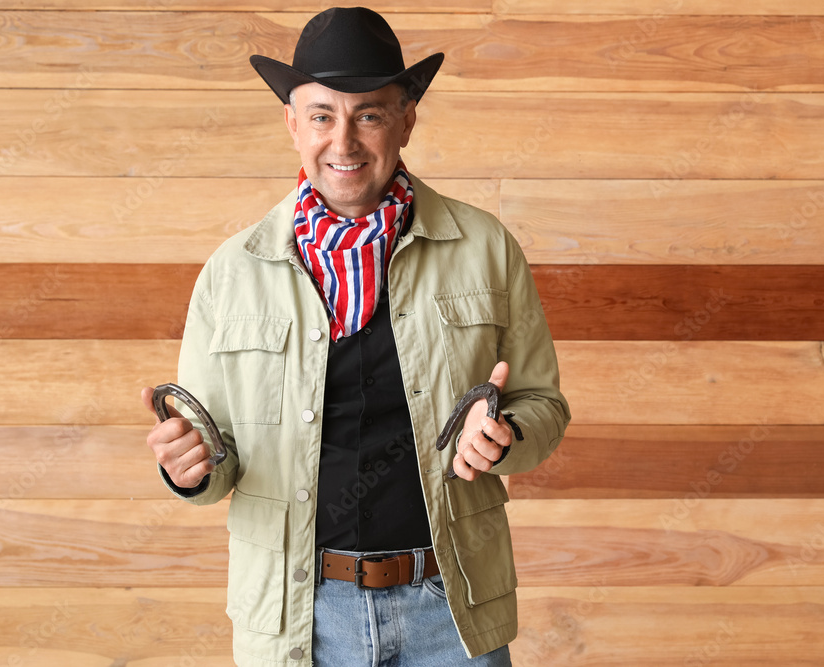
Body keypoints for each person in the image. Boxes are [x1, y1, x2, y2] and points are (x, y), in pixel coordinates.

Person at [140, 7, 570, 666]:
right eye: (321, 115)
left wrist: (507, 433)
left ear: (406, 119)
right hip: (297, 615)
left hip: (449, 611)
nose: (343, 142)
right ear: (292, 122)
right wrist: (188, 468)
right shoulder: (233, 271)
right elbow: (214, 453)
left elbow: (544, 402)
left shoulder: (484, 248)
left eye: (368, 114)